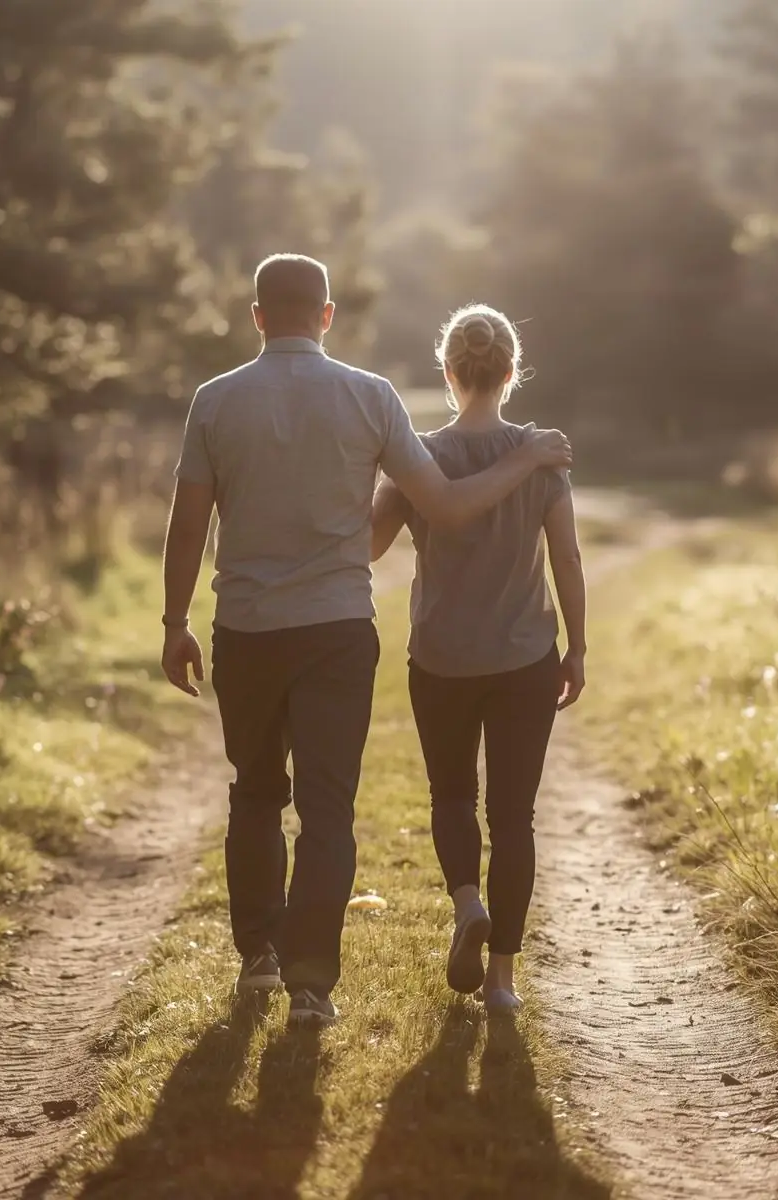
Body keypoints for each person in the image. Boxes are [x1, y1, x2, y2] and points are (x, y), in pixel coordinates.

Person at [160, 257, 572, 1028]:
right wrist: (525, 458)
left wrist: (174, 621)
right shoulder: (370, 396)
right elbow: (446, 507)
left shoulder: (215, 401)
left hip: (245, 627)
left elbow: (188, 525)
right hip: (337, 631)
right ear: (326, 315)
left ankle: (259, 956)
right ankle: (311, 985)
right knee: (327, 808)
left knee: (254, 792)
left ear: (257, 316)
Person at [371, 304, 587, 1015]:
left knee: (452, 797)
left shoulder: (418, 457)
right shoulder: (541, 454)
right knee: (514, 816)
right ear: (512, 371)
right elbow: (566, 559)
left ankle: (468, 903)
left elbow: (369, 543)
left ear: (448, 370)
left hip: (441, 659)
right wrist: (578, 647)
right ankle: (501, 981)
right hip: (524, 659)